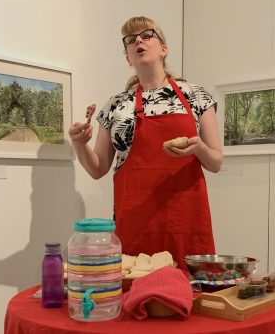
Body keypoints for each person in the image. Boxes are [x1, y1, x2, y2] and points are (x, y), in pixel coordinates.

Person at [68, 16, 223, 269]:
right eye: (130, 40)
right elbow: (98, 168)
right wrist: (79, 144)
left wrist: (200, 148)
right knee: (135, 293)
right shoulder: (116, 105)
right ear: (128, 57)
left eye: (146, 35)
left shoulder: (196, 95)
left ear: (164, 49)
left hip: (185, 222)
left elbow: (216, 162)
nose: (138, 40)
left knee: (190, 297)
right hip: (135, 222)